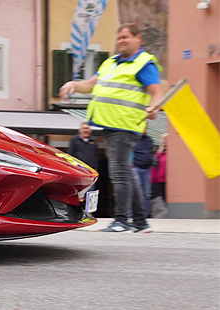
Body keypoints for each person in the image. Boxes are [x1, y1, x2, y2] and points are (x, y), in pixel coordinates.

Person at [59, 23, 164, 233]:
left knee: (120, 173)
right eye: (118, 38)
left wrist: (155, 107)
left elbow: (157, 91)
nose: (121, 41)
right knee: (126, 172)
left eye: (125, 37)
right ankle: (141, 222)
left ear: (138, 39)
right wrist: (73, 84)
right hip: (111, 124)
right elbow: (90, 84)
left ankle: (122, 221)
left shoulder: (143, 63)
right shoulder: (111, 62)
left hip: (124, 125)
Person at [132, 130, 154, 217]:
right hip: (136, 167)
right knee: (136, 192)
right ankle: (132, 214)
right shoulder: (134, 138)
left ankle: (144, 215)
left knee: (146, 194)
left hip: (146, 169)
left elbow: (151, 153)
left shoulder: (149, 140)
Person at [149, 133, 168, 218]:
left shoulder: (170, 154)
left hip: (166, 181)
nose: (165, 141)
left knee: (164, 201)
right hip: (158, 181)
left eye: (167, 139)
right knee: (158, 201)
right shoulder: (159, 154)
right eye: (163, 139)